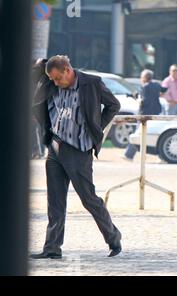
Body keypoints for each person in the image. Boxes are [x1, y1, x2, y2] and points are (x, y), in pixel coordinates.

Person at [30, 55, 122, 259]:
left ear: (67, 71)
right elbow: (35, 99)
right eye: (52, 79)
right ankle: (52, 248)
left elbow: (113, 105)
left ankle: (113, 237)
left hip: (78, 150)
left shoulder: (92, 83)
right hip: (55, 148)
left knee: (88, 199)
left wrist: (96, 129)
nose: (55, 82)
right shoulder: (52, 84)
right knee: (55, 202)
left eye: (57, 78)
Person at [123, 69, 163, 160]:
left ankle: (129, 155)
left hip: (145, 115)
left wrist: (136, 99)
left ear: (144, 78)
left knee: (138, 134)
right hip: (156, 113)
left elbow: (144, 102)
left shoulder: (145, 87)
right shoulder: (156, 85)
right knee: (156, 134)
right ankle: (161, 156)